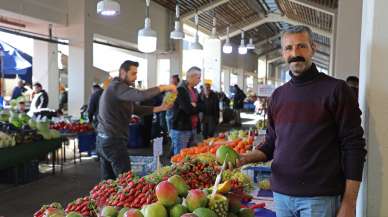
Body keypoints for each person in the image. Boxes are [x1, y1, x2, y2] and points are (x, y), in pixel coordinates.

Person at [232, 25, 367, 217]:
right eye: (289, 48)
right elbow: (271, 143)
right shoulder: (278, 96)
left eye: (301, 46)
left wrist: (349, 203)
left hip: (319, 199)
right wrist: (245, 158)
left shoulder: (336, 90)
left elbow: (354, 147)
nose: (295, 53)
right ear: (283, 53)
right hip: (281, 195)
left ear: (313, 48)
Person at [96, 60, 176, 180]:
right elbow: (141, 95)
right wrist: (163, 87)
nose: (135, 77)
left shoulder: (119, 90)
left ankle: (107, 198)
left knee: (109, 182)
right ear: (123, 72)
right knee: (126, 180)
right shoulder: (117, 87)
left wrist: (161, 108)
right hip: (113, 141)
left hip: (104, 140)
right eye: (133, 73)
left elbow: (136, 109)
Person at [170, 67, 202, 155]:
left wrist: (194, 105)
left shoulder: (195, 90)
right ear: (191, 77)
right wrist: (195, 106)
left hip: (193, 128)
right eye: (198, 78)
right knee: (180, 157)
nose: (200, 80)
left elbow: (202, 106)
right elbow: (188, 109)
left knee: (191, 157)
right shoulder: (180, 90)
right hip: (181, 129)